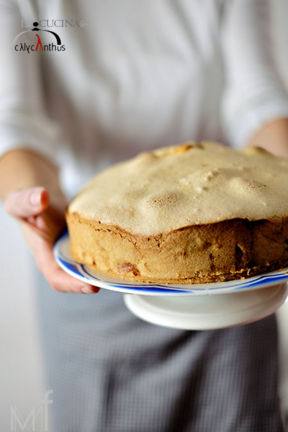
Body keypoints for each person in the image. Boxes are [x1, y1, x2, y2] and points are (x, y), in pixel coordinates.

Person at [1, 1, 288, 431]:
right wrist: (32, 199)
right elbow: (16, 122)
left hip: (235, 270)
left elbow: (257, 99)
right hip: (89, 251)